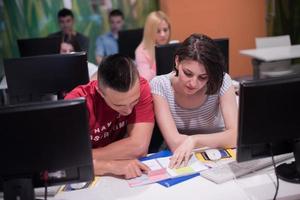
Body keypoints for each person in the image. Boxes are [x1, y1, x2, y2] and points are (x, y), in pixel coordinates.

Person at [150, 34, 238, 168]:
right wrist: (221, 139)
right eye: (188, 73)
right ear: (177, 62)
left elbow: (235, 136)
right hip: (181, 156)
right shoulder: (160, 85)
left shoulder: (222, 81)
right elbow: (174, 142)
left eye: (203, 77)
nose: (193, 83)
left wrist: (194, 140)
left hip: (217, 155)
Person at [65, 54, 154, 179]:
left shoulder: (142, 87)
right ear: (100, 92)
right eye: (119, 105)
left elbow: (139, 147)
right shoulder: (77, 102)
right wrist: (108, 165)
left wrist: (86, 157)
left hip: (117, 171)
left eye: (134, 101)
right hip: (90, 177)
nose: (128, 111)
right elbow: (64, 159)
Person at [135, 11, 171, 81]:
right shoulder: (141, 52)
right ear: (150, 31)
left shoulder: (172, 46)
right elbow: (146, 80)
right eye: (158, 31)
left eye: (165, 30)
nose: (163, 34)